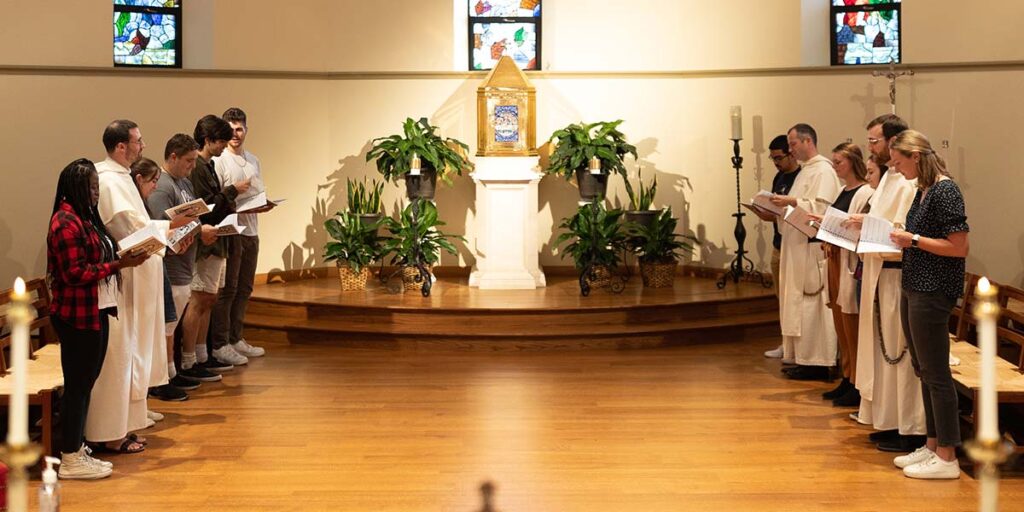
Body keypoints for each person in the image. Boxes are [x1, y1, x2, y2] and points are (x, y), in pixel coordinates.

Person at [47, 159, 149, 478]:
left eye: (97, 187)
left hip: (96, 310)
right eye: (91, 187)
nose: (96, 193)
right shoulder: (65, 222)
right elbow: (74, 272)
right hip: (77, 315)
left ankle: (78, 449)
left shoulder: (84, 218)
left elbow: (97, 256)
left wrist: (124, 256)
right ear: (77, 187)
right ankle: (70, 458)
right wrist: (121, 265)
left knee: (86, 384)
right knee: (78, 386)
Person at [887, 130, 969, 479]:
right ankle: (933, 444)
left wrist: (914, 239)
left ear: (916, 156)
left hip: (934, 290)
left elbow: (958, 246)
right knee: (923, 368)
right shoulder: (923, 190)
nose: (894, 166)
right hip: (914, 285)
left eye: (898, 160)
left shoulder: (945, 190)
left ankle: (948, 456)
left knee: (937, 373)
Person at [87, 120, 168, 454]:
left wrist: (166, 230)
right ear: (121, 146)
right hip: (123, 280)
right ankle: (110, 431)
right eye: (138, 140)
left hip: (139, 275)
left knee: (133, 353)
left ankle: (129, 424)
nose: (143, 146)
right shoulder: (107, 179)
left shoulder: (121, 177)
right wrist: (168, 227)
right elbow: (125, 228)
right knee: (121, 356)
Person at [848, 114, 927, 452]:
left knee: (898, 350)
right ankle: (890, 419)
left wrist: (869, 224)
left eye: (875, 141)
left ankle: (911, 427)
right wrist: (863, 222)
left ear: (897, 142)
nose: (872, 148)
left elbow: (904, 226)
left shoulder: (910, 181)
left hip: (898, 275)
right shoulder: (889, 178)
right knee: (883, 351)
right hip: (879, 271)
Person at [145, 135, 223, 385]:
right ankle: (166, 375)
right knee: (166, 327)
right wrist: (200, 231)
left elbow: (190, 217)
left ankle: (171, 372)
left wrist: (199, 229)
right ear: (173, 157)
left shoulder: (184, 183)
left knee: (171, 325)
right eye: (188, 160)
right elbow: (160, 227)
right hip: (171, 264)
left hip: (185, 262)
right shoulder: (163, 186)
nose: (192, 165)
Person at [770, 124, 841, 380]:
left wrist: (790, 202)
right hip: (795, 245)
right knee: (799, 306)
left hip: (811, 250)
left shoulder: (823, 171)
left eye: (793, 144)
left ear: (808, 140)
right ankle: (803, 358)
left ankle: (819, 361)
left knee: (812, 306)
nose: (790, 149)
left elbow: (822, 209)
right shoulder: (805, 172)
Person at [184, 115, 249, 372]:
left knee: (210, 298)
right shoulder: (199, 167)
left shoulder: (208, 165)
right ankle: (190, 359)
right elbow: (207, 206)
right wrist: (231, 192)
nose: (224, 146)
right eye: (220, 141)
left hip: (218, 239)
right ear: (208, 140)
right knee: (199, 299)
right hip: (206, 241)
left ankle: (202, 354)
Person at [211, 107, 269, 364]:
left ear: (246, 129)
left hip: (251, 229)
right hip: (231, 230)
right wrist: (235, 192)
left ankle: (236, 338)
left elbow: (258, 191)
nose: (235, 134)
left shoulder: (254, 159)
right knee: (228, 289)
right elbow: (218, 199)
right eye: (231, 129)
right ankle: (220, 343)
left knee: (245, 287)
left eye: (239, 129)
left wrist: (264, 203)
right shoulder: (219, 160)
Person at [819, 143, 873, 406]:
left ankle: (856, 383)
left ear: (852, 161)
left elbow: (859, 229)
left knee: (852, 325)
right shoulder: (844, 190)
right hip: (835, 259)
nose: (834, 166)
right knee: (840, 322)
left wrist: (832, 230)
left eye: (838, 161)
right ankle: (846, 375)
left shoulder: (864, 192)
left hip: (849, 262)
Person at [758, 135, 801, 361]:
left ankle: (794, 344)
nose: (776, 162)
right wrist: (764, 212)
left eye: (778, 157)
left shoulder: (802, 177)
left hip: (795, 244)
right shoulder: (779, 177)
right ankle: (785, 341)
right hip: (779, 244)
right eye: (772, 158)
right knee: (781, 296)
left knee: (793, 297)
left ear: (791, 153)